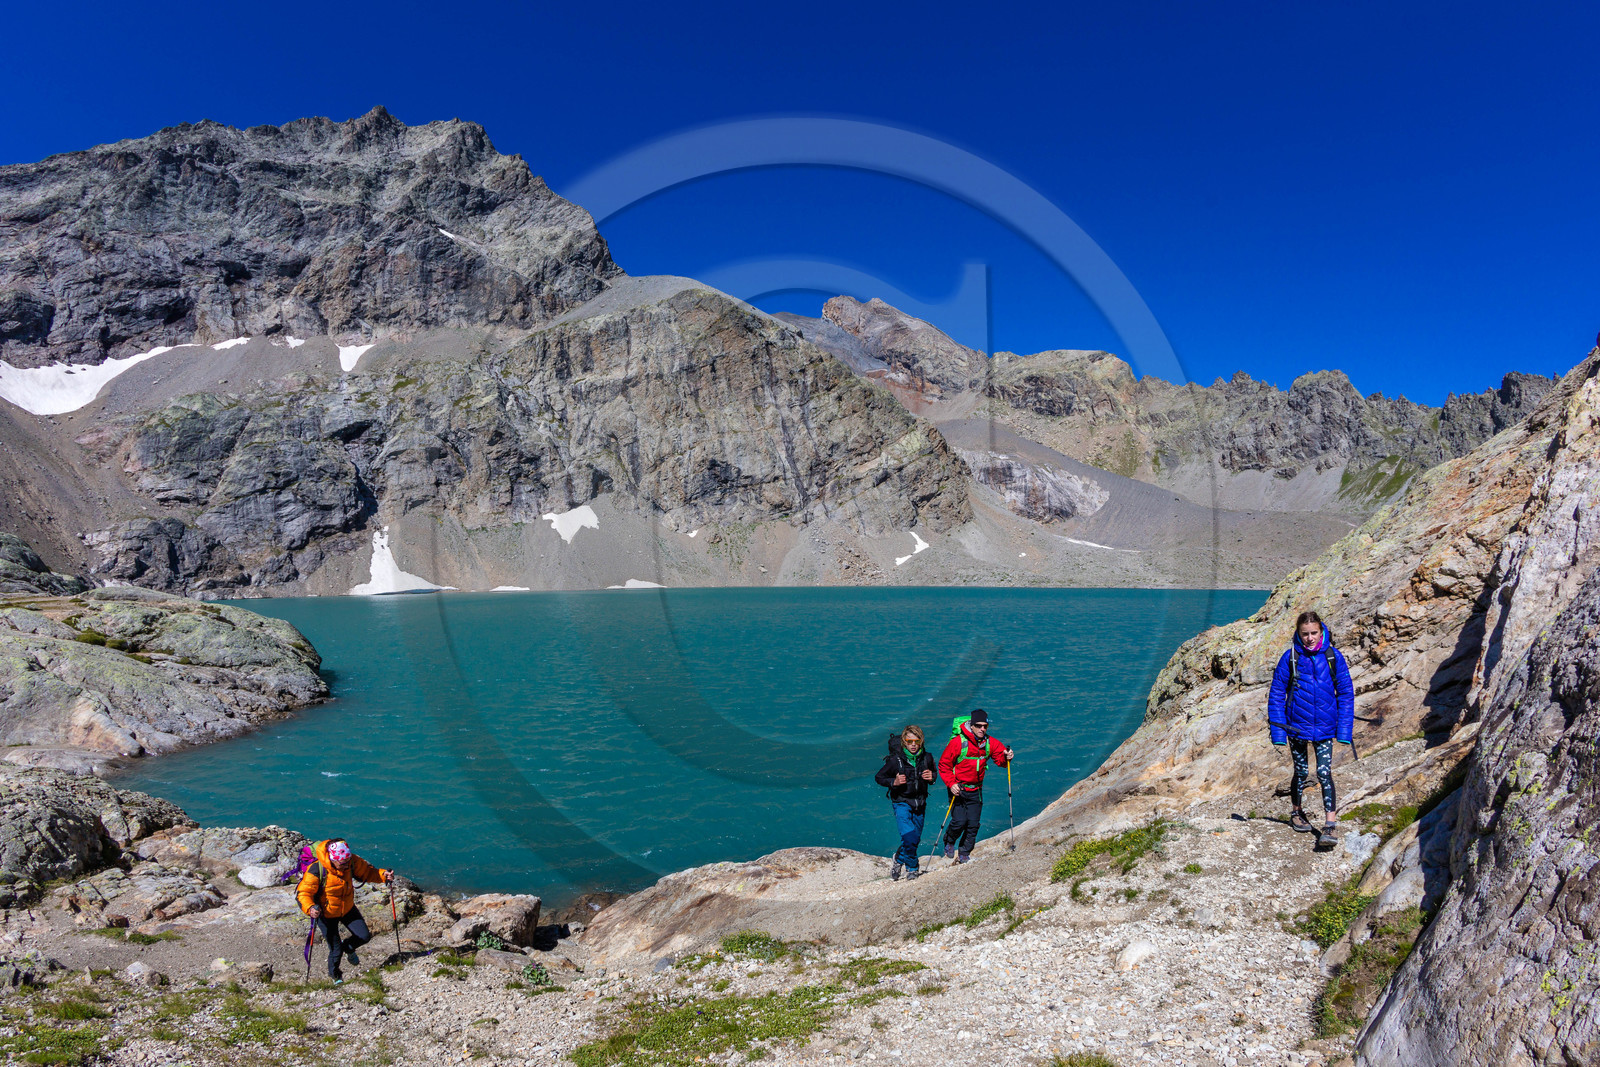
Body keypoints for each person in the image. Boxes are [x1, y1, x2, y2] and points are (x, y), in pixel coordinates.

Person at [1267, 610, 1355, 851]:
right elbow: (1276, 694)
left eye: (1314, 632)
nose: (1309, 638)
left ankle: (1330, 825)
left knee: (1325, 773)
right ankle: (1296, 813)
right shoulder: (1290, 657)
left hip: (1326, 728)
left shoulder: (1333, 657)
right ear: (1298, 633)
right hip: (1296, 727)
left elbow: (1346, 694)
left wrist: (1344, 731)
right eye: (1304, 633)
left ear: (1322, 630)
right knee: (1302, 771)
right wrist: (1278, 732)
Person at [296, 838, 393, 982]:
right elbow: (303, 893)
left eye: (347, 862)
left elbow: (367, 872)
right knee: (335, 949)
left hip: (347, 908)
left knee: (364, 936)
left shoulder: (351, 861)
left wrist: (383, 875)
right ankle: (336, 976)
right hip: (326, 914)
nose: (346, 866)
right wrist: (310, 908)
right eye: (342, 863)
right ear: (332, 859)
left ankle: (348, 947)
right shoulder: (318, 869)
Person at [937, 709, 1013, 864]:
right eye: (978, 726)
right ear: (971, 725)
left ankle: (964, 853)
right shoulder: (958, 742)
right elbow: (944, 765)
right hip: (958, 789)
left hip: (976, 789)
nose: (982, 729)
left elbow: (1000, 760)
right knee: (959, 821)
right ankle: (949, 841)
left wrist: (1007, 756)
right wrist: (951, 784)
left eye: (985, 726)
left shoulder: (990, 742)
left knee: (973, 824)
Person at [874, 724, 937, 881]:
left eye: (916, 741)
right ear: (904, 742)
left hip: (920, 803)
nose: (913, 745)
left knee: (914, 838)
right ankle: (912, 869)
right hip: (901, 802)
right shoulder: (896, 761)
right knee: (909, 837)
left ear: (921, 741)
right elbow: (879, 777)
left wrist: (932, 777)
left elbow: (934, 774)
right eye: (909, 741)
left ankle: (898, 859)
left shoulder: (927, 758)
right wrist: (893, 782)